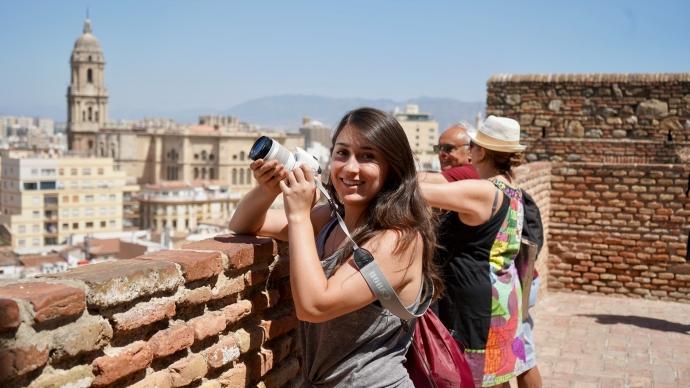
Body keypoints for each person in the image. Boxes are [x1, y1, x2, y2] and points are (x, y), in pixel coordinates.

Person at [229, 107, 442, 387]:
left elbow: (314, 306)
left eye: (368, 156)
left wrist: (298, 216)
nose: (350, 167)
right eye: (342, 153)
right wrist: (269, 188)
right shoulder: (331, 219)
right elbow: (243, 224)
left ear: (393, 167)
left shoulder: (398, 240)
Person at [424, 121, 542, 387]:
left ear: (482, 152)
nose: (471, 150)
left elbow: (421, 192)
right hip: (502, 294)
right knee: (496, 378)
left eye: (473, 145)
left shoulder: (485, 190)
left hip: (478, 305)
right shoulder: (511, 187)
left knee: (479, 378)